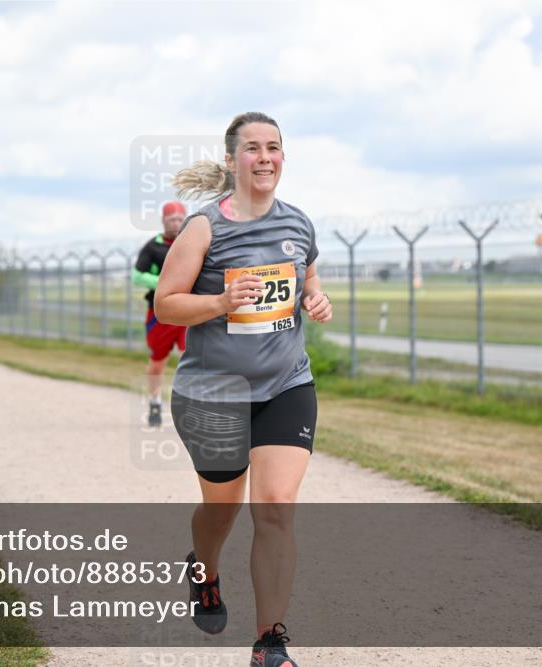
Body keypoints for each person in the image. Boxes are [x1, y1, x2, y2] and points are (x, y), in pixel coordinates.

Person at [154, 112, 332, 667]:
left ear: (283, 157)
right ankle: (204, 570)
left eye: (273, 147)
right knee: (222, 513)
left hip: (286, 385)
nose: (264, 157)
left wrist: (315, 300)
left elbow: (309, 278)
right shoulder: (204, 228)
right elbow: (166, 303)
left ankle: (269, 642)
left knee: (275, 506)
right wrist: (220, 304)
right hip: (215, 393)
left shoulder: (299, 224)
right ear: (232, 160)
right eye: (252, 148)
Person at [133, 202, 187, 426]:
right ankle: (155, 402)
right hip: (160, 314)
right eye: (171, 219)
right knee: (158, 361)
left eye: (179, 218)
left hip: (187, 312)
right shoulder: (153, 247)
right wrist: (165, 284)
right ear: (163, 221)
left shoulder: (190, 243)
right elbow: (138, 276)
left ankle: (190, 405)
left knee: (191, 358)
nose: (175, 223)